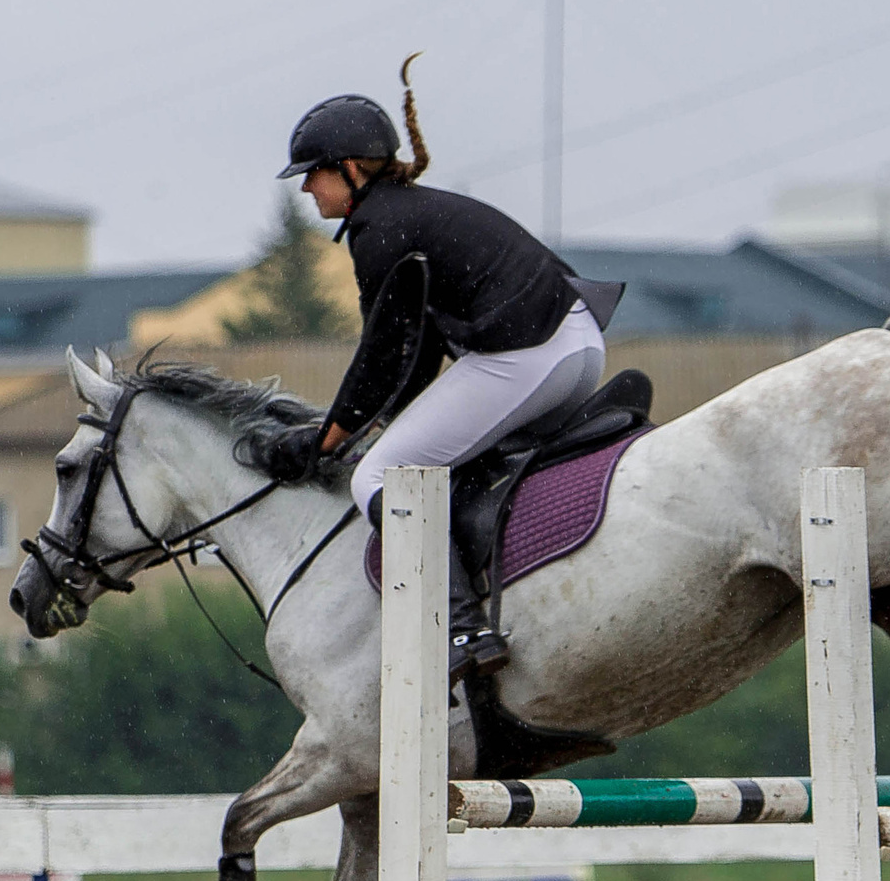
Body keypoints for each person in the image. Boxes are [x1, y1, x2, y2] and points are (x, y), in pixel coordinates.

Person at [259, 64, 621, 680]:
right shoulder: (410, 214)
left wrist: (328, 442)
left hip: (528, 354)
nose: (305, 191)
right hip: (577, 346)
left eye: (313, 174)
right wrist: (364, 426)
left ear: (350, 168)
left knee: (378, 478)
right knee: (430, 458)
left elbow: (380, 360)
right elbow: (417, 357)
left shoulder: (378, 229)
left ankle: (461, 629)